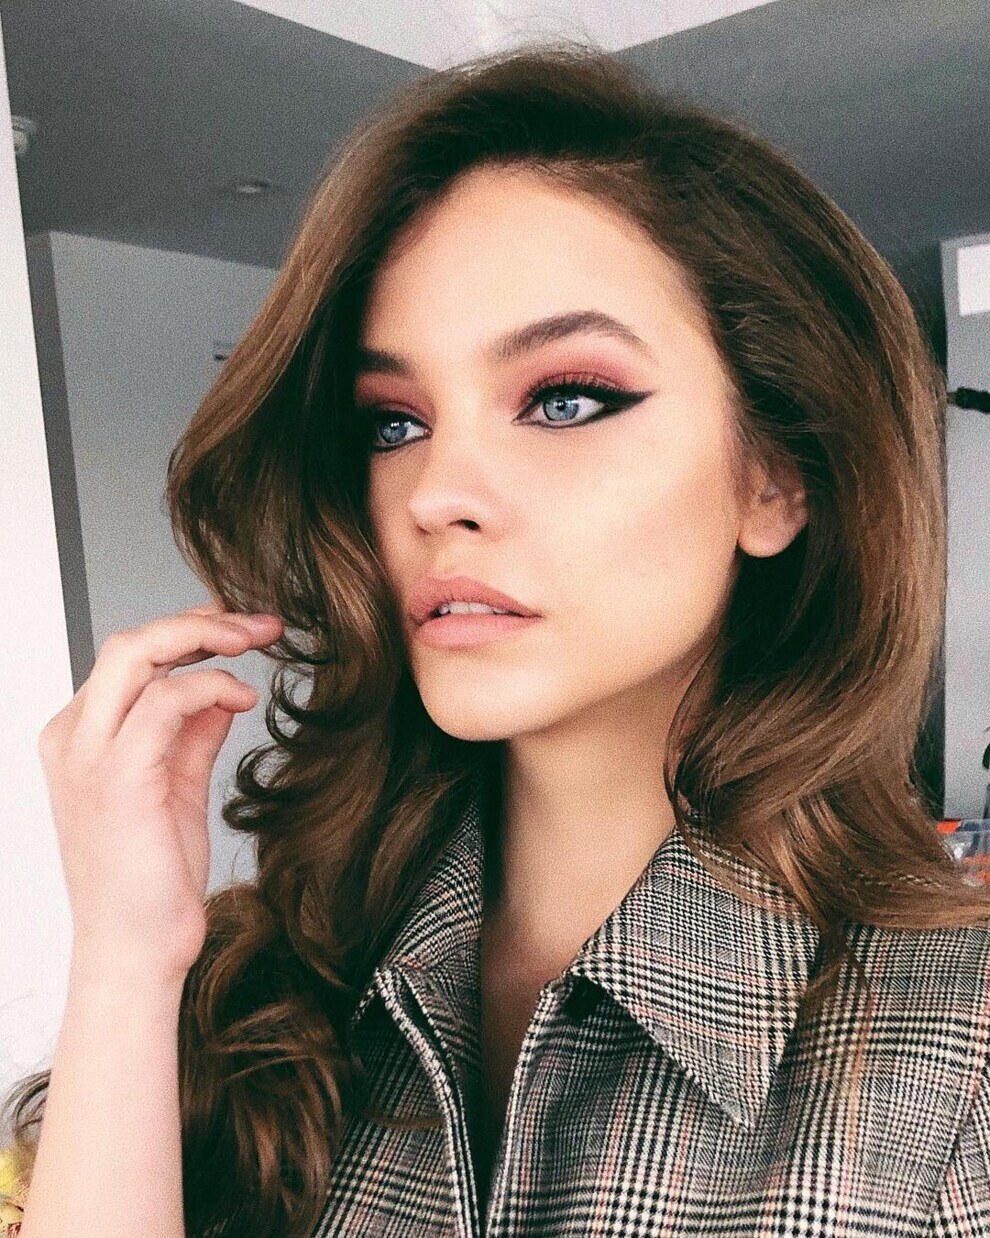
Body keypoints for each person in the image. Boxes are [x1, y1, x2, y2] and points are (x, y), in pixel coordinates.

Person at [3, 37, 989, 1238]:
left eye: (566, 399)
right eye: (393, 421)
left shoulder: (960, 1066)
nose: (435, 493)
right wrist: (124, 955)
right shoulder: (268, 986)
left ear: (775, 476)